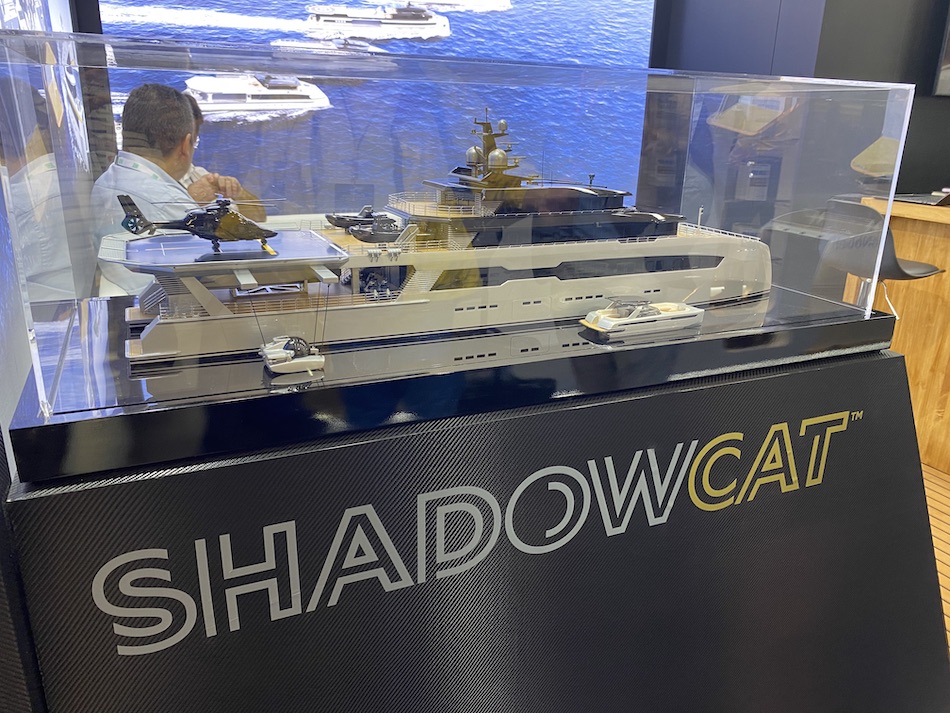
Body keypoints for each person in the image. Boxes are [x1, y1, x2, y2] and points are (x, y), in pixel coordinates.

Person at [91, 84, 258, 295]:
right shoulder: (167, 201)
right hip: (172, 299)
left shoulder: (106, 181)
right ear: (185, 145)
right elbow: (216, 273)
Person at [181, 93, 266, 222]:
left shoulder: (198, 176)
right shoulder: (151, 186)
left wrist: (237, 192)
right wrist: (190, 200)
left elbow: (259, 218)